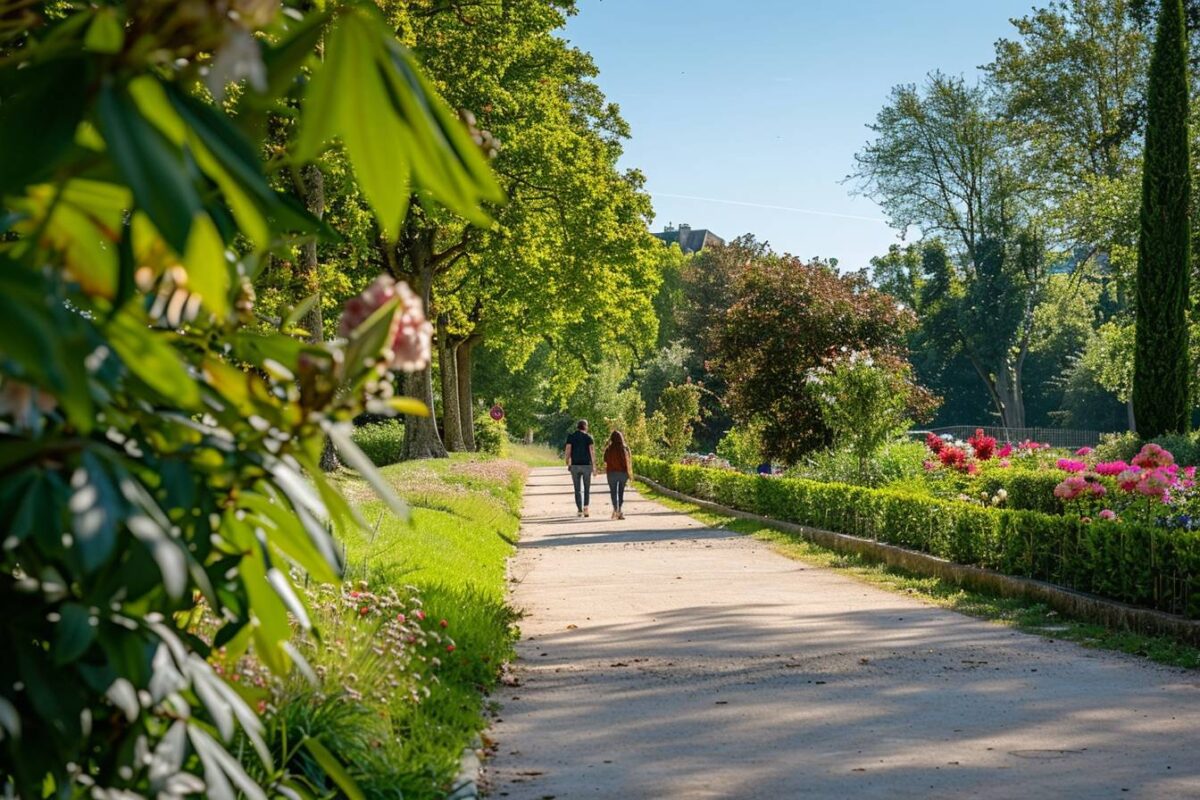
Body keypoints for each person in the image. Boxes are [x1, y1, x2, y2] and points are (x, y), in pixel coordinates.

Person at [564, 419, 596, 517]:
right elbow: (592, 452)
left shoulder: (571, 436)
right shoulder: (589, 437)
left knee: (577, 489)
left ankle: (579, 510)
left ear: (577, 426)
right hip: (587, 466)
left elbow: (568, 449)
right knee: (587, 488)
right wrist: (594, 466)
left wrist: (567, 460)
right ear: (585, 426)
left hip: (575, 466)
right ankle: (586, 508)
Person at [603, 430, 633, 520]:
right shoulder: (625, 448)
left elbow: (605, 460)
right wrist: (629, 474)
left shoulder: (609, 449)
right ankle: (619, 510)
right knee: (621, 492)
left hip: (611, 473)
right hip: (623, 473)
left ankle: (615, 509)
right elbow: (628, 462)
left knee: (613, 492)